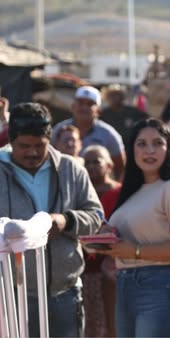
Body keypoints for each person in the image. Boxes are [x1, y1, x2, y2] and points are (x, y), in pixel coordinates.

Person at [0, 102, 102, 337]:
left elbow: (96, 216)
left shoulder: (71, 169)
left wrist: (66, 221)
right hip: (10, 297)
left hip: (64, 295)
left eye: (39, 146)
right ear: (10, 140)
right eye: (24, 146)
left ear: (50, 140)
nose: (32, 152)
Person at [98, 118, 170, 337]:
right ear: (131, 149)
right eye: (142, 143)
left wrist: (135, 251)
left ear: (169, 148)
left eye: (158, 143)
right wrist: (107, 239)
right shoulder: (131, 192)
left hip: (161, 287)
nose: (150, 150)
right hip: (125, 285)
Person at [80, 144, 121, 337]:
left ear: (110, 166)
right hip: (84, 270)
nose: (91, 166)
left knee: (113, 324)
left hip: (114, 270)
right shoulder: (79, 194)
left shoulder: (121, 194)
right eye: (86, 162)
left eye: (96, 161)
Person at [52, 85, 126, 179]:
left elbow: (120, 167)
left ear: (98, 111)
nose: (84, 107)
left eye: (90, 104)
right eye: (80, 103)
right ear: (73, 106)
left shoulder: (109, 134)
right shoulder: (58, 130)